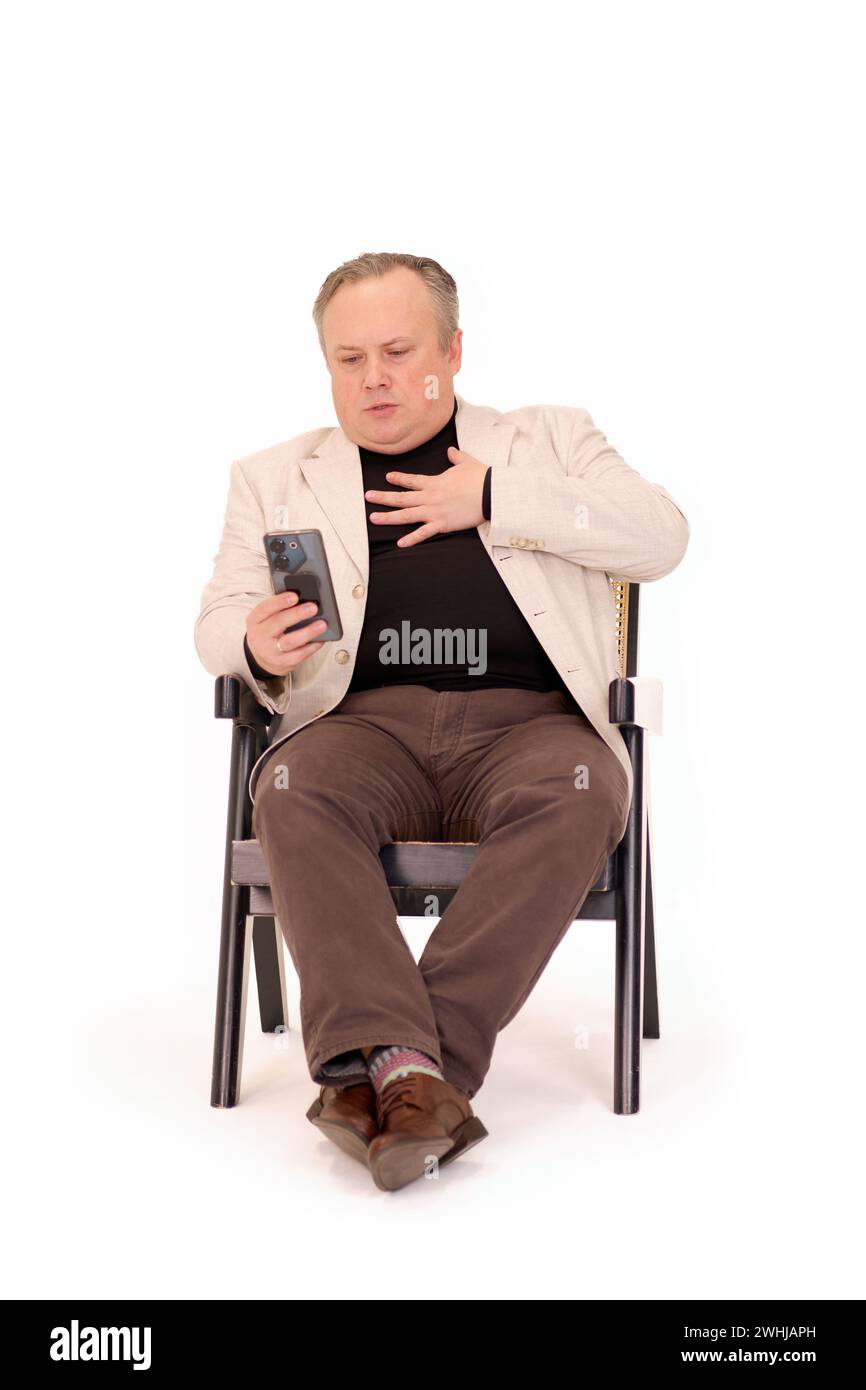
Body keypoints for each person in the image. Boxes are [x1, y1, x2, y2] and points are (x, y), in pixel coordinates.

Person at [194, 251, 690, 1192]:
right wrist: (253, 645)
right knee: (290, 789)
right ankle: (417, 1076)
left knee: (585, 791)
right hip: (360, 726)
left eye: (396, 350)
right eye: (349, 359)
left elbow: (661, 536)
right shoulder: (271, 477)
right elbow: (215, 619)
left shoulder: (548, 440)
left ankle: (389, 1069)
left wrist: (497, 499)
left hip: (530, 727)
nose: (373, 377)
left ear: (453, 351)